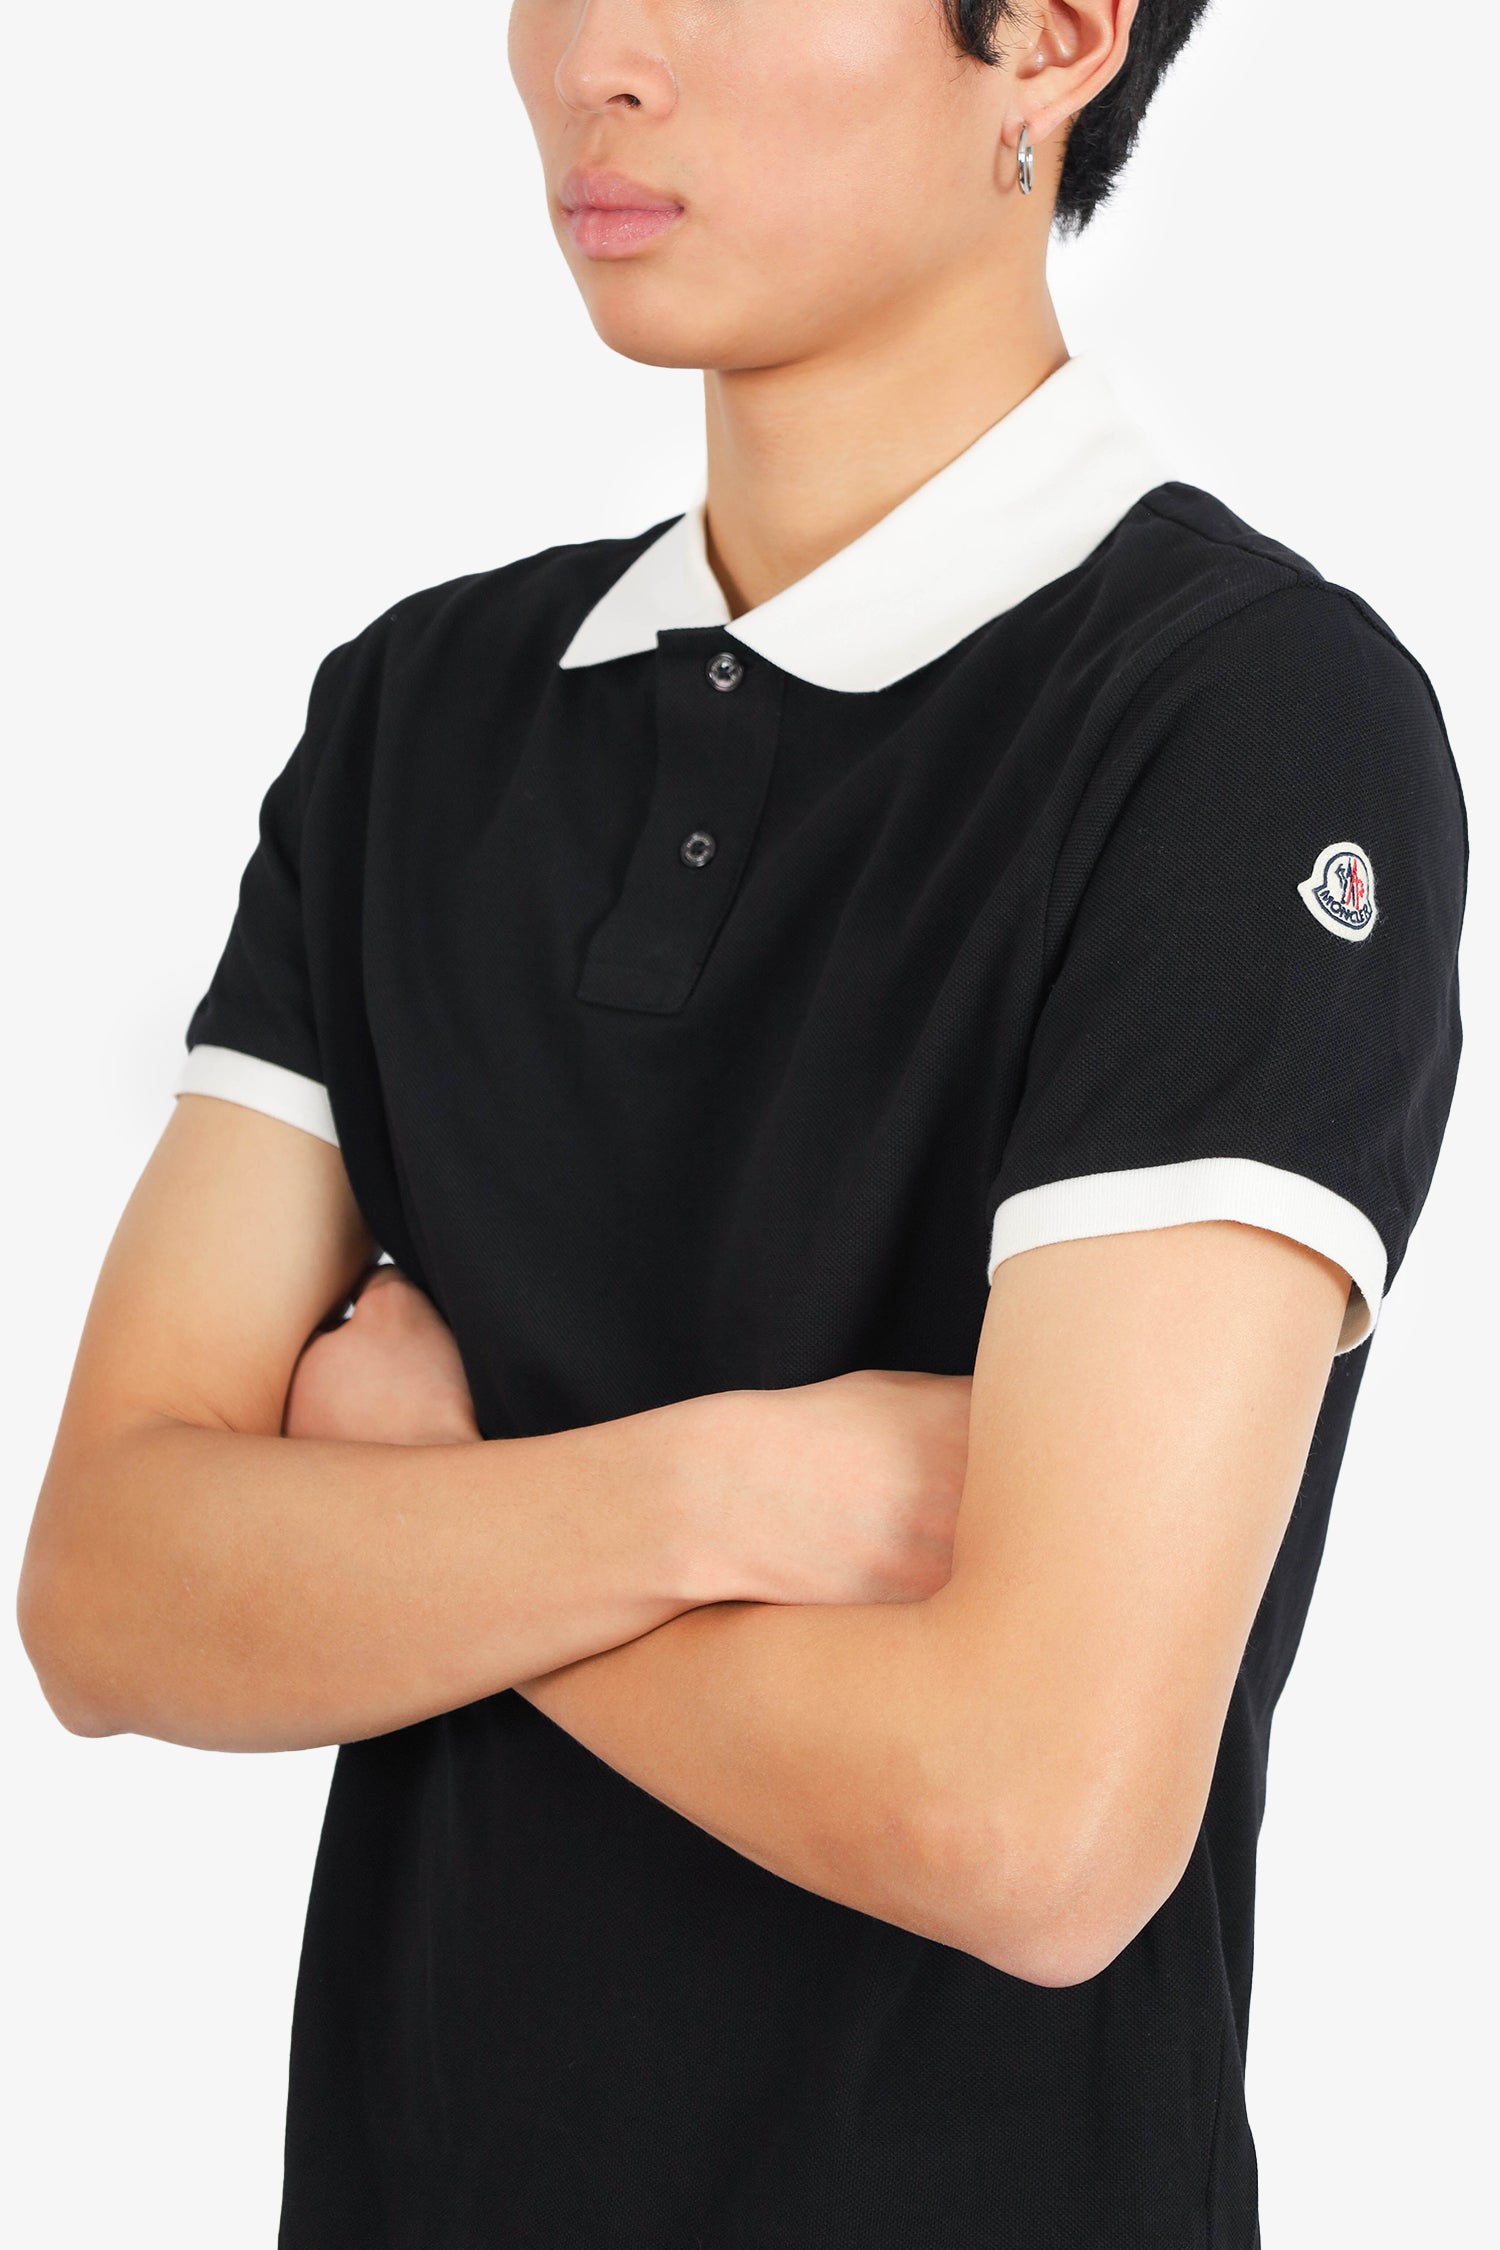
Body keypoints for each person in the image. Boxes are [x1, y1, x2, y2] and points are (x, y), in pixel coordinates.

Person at [17, 1, 1469, 2243]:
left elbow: (1040, 1827)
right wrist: (721, 1491)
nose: (598, 58)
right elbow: (107, 1593)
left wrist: (425, 1507)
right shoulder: (419, 717)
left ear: (1053, 38)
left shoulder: (1244, 723)